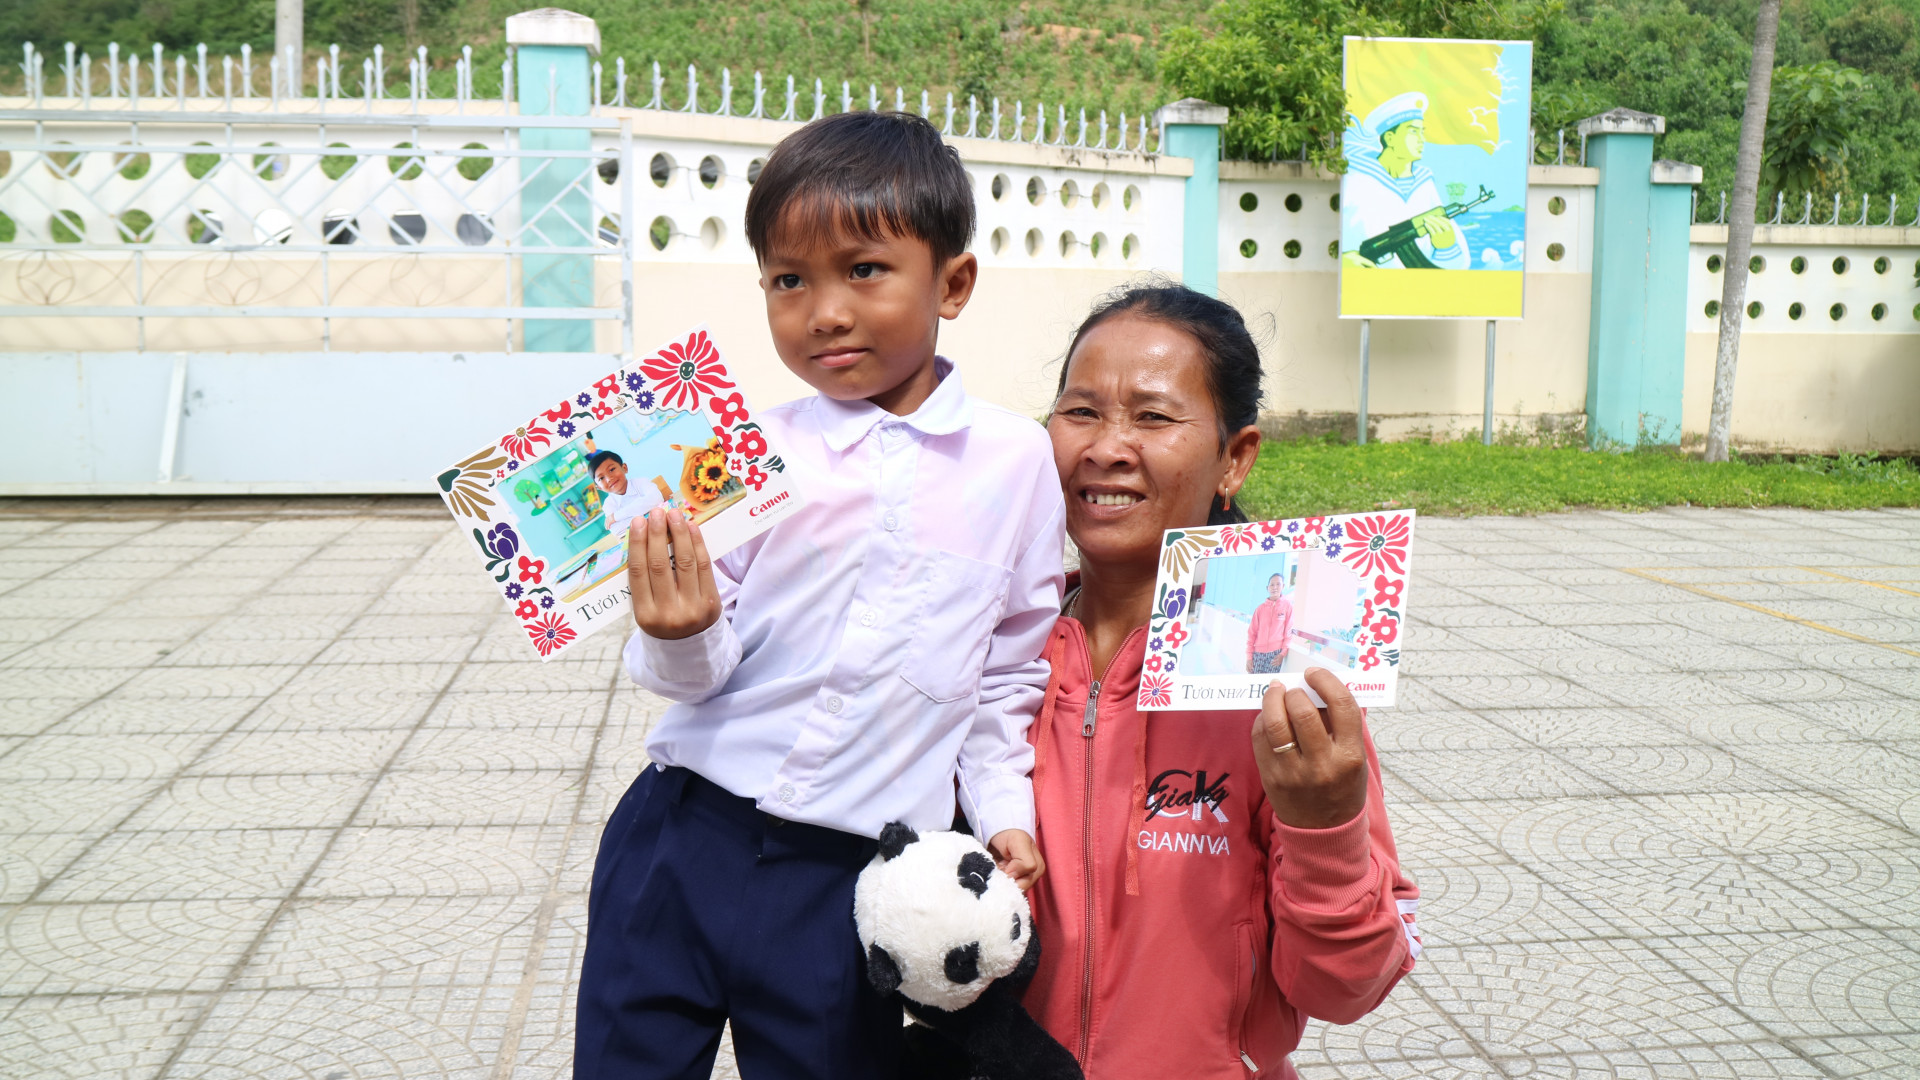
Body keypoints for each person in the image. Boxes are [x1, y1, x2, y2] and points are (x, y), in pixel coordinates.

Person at [576, 110, 1065, 1080]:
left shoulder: (1016, 465)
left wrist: (1008, 811)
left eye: (865, 271)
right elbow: (695, 676)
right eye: (788, 281)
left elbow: (1004, 675)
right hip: (683, 835)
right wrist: (681, 629)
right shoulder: (736, 453)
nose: (825, 311)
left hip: (851, 885)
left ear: (953, 283)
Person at [1026, 283, 1420, 1079]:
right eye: (1081, 411)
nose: (1107, 446)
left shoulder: (1284, 691)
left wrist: (1326, 831)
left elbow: (1346, 988)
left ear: (1234, 458)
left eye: (1153, 416)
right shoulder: (999, 649)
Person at [1340, 91, 1467, 270]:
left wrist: (1446, 248)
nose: (1422, 140)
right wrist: (1342, 261)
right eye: (1413, 132)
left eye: (1422, 132)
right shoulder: (1356, 179)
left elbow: (1460, 264)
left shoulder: (1424, 184)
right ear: (1390, 138)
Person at [587, 449, 665, 534]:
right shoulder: (608, 504)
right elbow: (617, 530)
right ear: (599, 487)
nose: (609, 479)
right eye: (601, 478)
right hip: (639, 538)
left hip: (663, 526)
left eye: (612, 469)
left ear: (624, 468)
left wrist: (616, 516)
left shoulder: (641, 482)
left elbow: (656, 498)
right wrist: (647, 509)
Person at [1246, 572, 1294, 674]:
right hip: (1258, 654)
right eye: (1272, 585)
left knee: (1268, 686)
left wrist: (1282, 654)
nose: (1275, 587)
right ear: (1267, 587)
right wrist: (1249, 657)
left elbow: (1288, 633)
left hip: (1275, 654)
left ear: (1283, 586)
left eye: (1278, 584)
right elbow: (1252, 634)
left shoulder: (1287, 607)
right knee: (1254, 684)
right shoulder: (1260, 609)